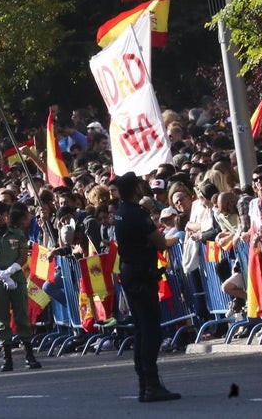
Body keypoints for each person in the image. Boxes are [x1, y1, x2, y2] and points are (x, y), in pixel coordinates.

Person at [111, 172, 180, 403]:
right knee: (151, 330)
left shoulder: (120, 213)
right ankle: (152, 385)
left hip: (130, 273)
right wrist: (175, 239)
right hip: (142, 274)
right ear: (137, 190)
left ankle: (145, 384)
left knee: (141, 329)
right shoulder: (137, 214)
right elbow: (159, 242)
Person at [0, 201, 40, 372]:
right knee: (2, 318)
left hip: (17, 278)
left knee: (22, 315)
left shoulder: (17, 233)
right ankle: (7, 357)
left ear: (7, 214)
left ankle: (29, 355)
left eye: (2, 213)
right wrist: (0, 274)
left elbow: (22, 256)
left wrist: (12, 270)